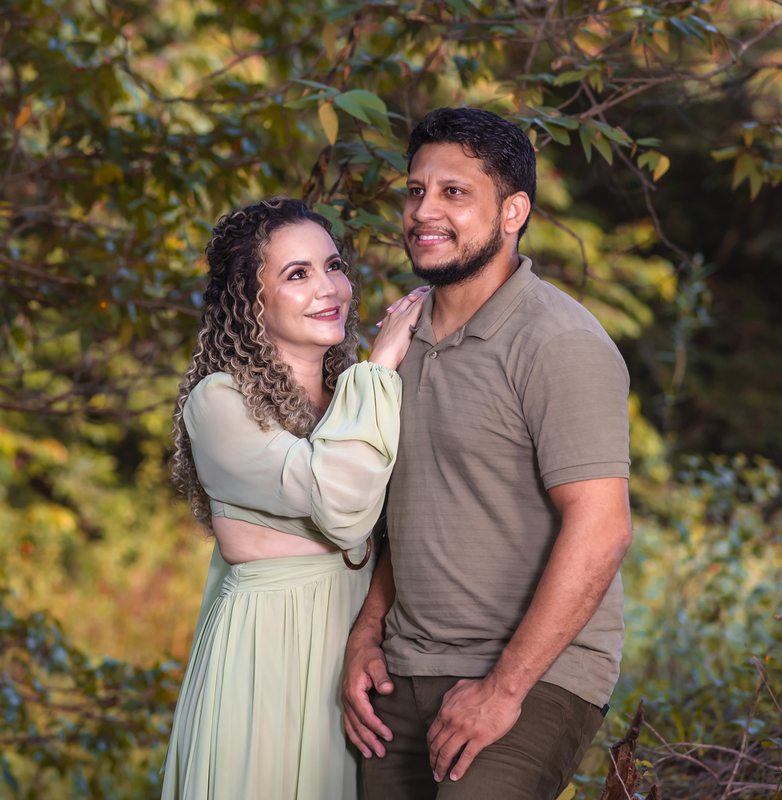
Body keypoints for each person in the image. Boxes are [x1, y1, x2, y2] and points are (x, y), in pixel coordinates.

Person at [341, 107, 633, 800]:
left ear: (513, 211)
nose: (423, 211)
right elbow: (404, 517)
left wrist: (504, 688)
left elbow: (602, 528)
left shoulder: (558, 341)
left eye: (453, 193)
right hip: (402, 672)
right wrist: (364, 636)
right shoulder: (398, 343)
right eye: (415, 191)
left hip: (532, 676)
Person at [160, 196, 426, 800]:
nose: (328, 288)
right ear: (250, 300)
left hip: (360, 645)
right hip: (268, 650)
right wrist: (380, 361)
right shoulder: (220, 403)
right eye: (296, 274)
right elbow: (342, 503)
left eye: (333, 266)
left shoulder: (356, 397)